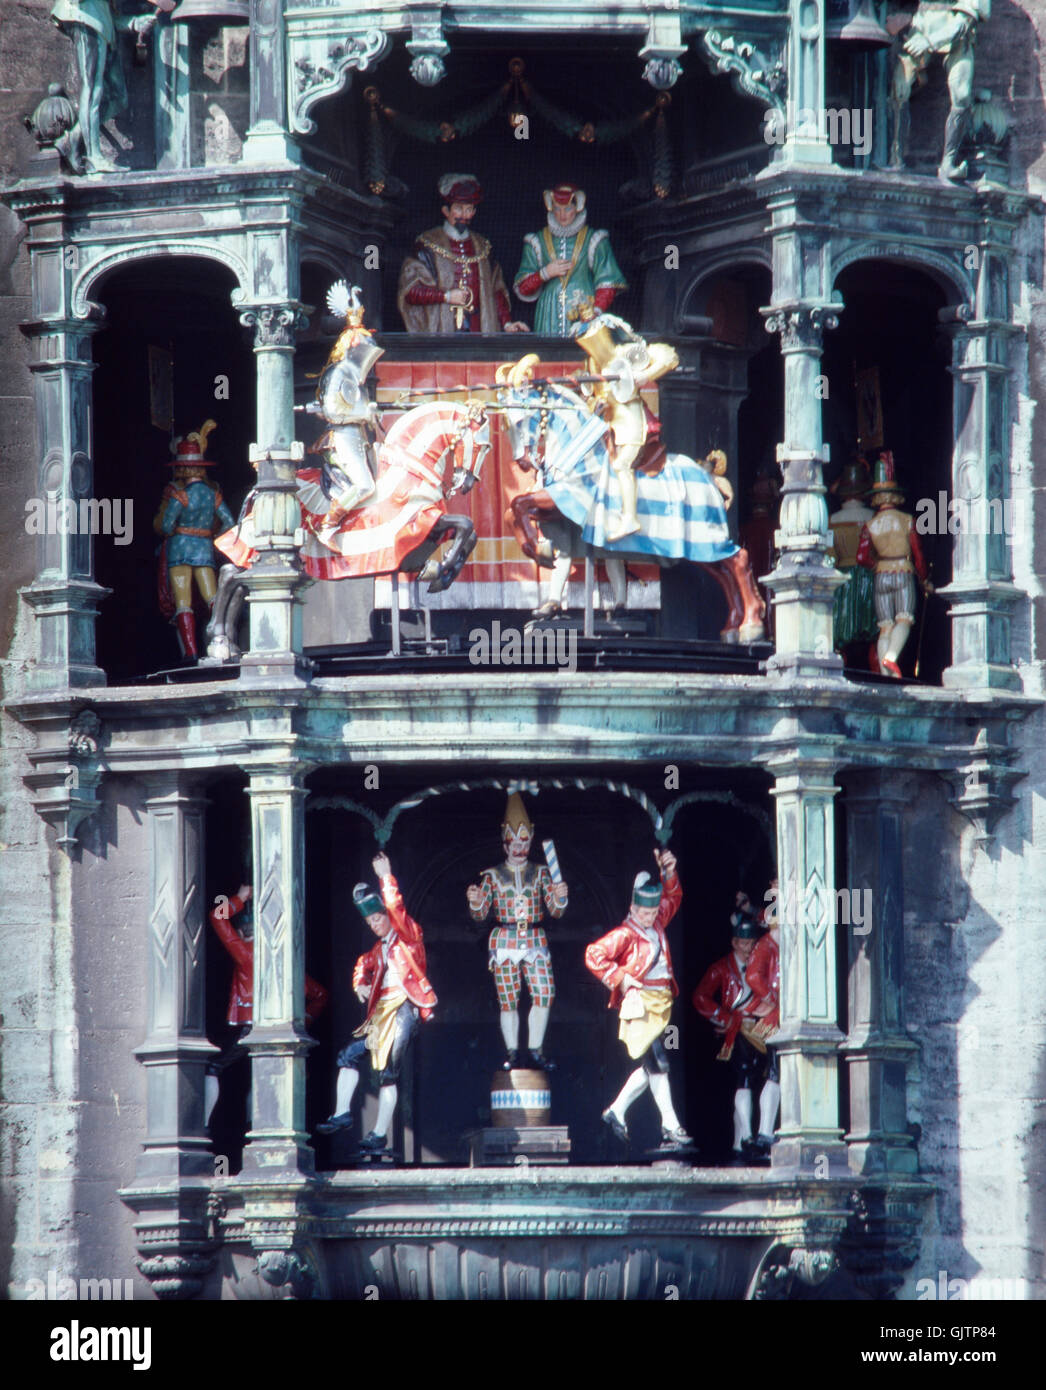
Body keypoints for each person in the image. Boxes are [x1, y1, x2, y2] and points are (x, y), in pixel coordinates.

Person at [317, 854, 436, 1153]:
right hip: (380, 1014)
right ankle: (342, 1112)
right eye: (369, 921)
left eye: (377, 918)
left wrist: (386, 877)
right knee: (348, 1055)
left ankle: (379, 1133)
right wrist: (359, 982)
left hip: (404, 1009)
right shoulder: (377, 949)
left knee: (388, 1073)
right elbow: (363, 963)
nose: (374, 925)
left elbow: (397, 909)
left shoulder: (410, 936)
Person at [584, 849, 692, 1151]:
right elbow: (593, 954)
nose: (650, 917)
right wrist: (619, 977)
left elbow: (673, 898)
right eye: (644, 913)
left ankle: (616, 1111)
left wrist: (669, 872)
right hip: (640, 1003)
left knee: (652, 1065)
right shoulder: (625, 934)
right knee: (659, 1062)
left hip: (661, 1003)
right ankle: (671, 1126)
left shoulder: (657, 921)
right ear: (633, 907)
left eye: (653, 912)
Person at [205, 885, 329, 1128]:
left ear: (241, 932)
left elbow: (216, 917)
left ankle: (205, 1124)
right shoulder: (284, 960)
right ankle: (258, 1125)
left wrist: (239, 898)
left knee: (214, 1066)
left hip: (252, 1025)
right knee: (259, 1073)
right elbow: (320, 995)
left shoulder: (246, 953)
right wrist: (304, 1019)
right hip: (284, 1027)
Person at [467, 793, 568, 1070]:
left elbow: (556, 910)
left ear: (531, 840)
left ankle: (536, 1048)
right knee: (508, 999)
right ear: (504, 843)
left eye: (524, 841)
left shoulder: (542, 873)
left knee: (544, 993)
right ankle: (512, 1051)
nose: (519, 847)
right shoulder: (492, 876)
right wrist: (475, 900)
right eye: (513, 842)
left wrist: (560, 895)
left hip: (535, 938)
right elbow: (480, 914)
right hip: (505, 939)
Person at [572, 304, 679, 542]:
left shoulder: (626, 351)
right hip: (608, 423)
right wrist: (594, 403)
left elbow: (669, 356)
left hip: (630, 418)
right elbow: (598, 395)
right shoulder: (593, 364)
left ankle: (630, 518)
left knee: (622, 465)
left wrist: (647, 375)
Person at [692, 897, 773, 1164]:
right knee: (745, 1079)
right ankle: (747, 1138)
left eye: (752, 944)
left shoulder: (765, 962)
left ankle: (750, 1140)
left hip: (767, 1026)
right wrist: (724, 1017)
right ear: (734, 943)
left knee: (767, 1078)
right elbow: (701, 997)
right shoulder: (721, 969)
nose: (749, 950)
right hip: (739, 1027)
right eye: (744, 944)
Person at [50, 0, 174, 174]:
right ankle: (94, 157)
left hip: (103, 28)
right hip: (85, 17)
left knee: (118, 97)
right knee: (92, 88)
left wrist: (134, 23)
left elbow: (109, 16)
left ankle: (72, 139)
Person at [397, 174, 529, 334]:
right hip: (441, 334)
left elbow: (496, 291)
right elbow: (410, 291)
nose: (464, 216)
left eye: (469, 209)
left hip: (479, 332)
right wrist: (445, 296)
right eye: (459, 208)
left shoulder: (483, 247)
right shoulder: (426, 245)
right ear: (446, 210)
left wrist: (507, 324)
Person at [154, 420, 236, 662]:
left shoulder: (180, 495)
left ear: (181, 469)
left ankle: (190, 652)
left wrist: (181, 528)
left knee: (184, 602)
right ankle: (221, 643)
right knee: (213, 598)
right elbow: (230, 522)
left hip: (179, 551)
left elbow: (166, 526)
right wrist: (211, 534)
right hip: (204, 550)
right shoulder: (214, 495)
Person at [887, 0, 991, 181]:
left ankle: (948, 163)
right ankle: (895, 159)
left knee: (962, 94)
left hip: (958, 35)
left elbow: (964, 22)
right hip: (922, 25)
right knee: (900, 84)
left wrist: (929, 42)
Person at [855, 452, 933, 678]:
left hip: (881, 575)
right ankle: (890, 657)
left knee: (885, 626)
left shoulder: (870, 524)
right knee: (904, 618)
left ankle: (883, 672)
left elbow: (861, 557)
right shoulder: (907, 521)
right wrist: (924, 578)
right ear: (895, 495)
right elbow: (918, 555)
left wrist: (876, 564)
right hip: (903, 572)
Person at [513, 184, 626, 336]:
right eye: (557, 209)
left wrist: (595, 312)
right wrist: (545, 273)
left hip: (583, 310)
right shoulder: (537, 241)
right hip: (549, 313)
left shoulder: (594, 239)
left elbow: (607, 283)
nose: (562, 215)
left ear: (577, 208)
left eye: (567, 209)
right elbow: (523, 288)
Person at [743, 885, 781, 1162]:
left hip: (785, 1015)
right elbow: (754, 977)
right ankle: (765, 1132)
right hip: (773, 1017)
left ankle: (769, 1131)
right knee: (775, 1071)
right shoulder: (767, 944)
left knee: (778, 1073)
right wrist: (771, 997)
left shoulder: (785, 942)